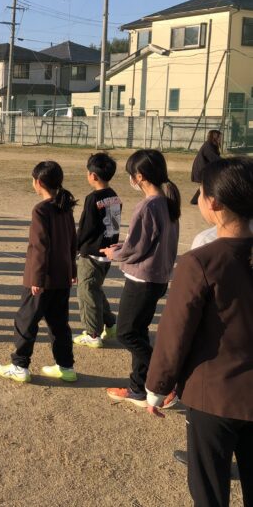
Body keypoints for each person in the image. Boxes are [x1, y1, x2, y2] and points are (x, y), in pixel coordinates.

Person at [145, 157, 252, 507]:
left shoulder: (201, 262)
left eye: (202, 193)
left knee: (208, 486)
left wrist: (157, 387)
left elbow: (175, 332)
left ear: (215, 203)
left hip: (215, 395)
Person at [102, 149, 180, 407]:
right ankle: (137, 387)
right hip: (156, 278)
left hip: (143, 280)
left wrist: (115, 254)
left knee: (126, 334)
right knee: (139, 331)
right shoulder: (167, 202)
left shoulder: (149, 205)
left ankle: (166, 382)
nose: (131, 181)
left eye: (131, 176)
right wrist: (121, 248)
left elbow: (136, 248)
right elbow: (147, 242)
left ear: (140, 176)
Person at [0, 161, 78, 383]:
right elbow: (72, 241)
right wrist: (73, 269)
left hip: (42, 279)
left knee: (25, 320)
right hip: (62, 277)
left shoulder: (41, 210)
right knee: (59, 323)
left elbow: (40, 246)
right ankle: (66, 366)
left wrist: (37, 278)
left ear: (38, 182)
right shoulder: (65, 206)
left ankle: (20, 365)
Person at [74, 153, 122, 348]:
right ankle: (110, 324)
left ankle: (93, 333)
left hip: (91, 254)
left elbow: (86, 227)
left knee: (86, 291)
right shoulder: (114, 196)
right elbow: (116, 225)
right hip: (107, 252)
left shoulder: (93, 198)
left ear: (93, 176)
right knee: (95, 288)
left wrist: (76, 247)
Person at [190, 129, 222, 205]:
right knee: (209, 184)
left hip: (205, 170)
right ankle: (196, 200)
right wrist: (227, 162)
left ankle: (195, 200)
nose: (221, 139)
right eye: (219, 137)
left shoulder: (212, 145)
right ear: (215, 137)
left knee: (206, 185)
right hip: (202, 170)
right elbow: (214, 158)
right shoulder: (208, 145)